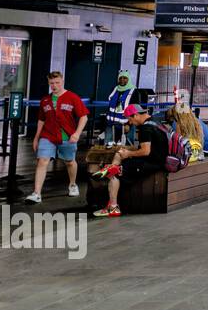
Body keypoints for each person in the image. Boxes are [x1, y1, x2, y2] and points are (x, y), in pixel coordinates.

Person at [90, 104, 168, 217]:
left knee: (114, 174)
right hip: (157, 160)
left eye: (129, 119)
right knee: (119, 154)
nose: (130, 123)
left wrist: (129, 154)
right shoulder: (155, 121)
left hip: (152, 164)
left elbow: (146, 151)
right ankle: (111, 167)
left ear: (135, 115)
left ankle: (113, 207)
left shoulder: (145, 128)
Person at [28, 70, 89, 203]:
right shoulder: (45, 100)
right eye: (52, 83)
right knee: (42, 161)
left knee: (69, 162)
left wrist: (77, 133)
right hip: (48, 135)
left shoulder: (72, 97)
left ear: (62, 82)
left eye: (57, 82)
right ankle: (36, 193)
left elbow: (83, 117)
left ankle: (72, 185)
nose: (54, 85)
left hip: (67, 137)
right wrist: (36, 138)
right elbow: (41, 120)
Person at [105, 70, 133, 145]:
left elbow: (134, 110)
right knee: (107, 145)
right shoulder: (115, 89)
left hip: (125, 125)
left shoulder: (133, 91)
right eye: (120, 78)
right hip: (111, 123)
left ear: (129, 79)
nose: (122, 80)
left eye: (125, 78)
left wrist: (129, 124)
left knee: (126, 147)